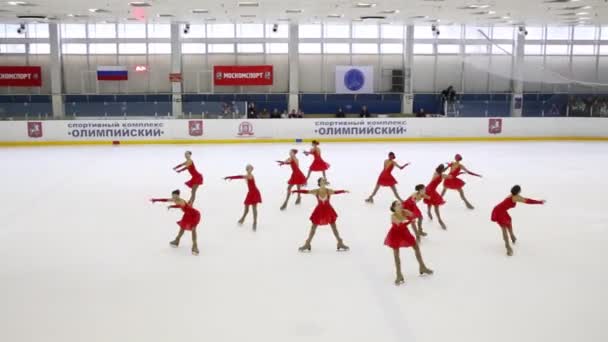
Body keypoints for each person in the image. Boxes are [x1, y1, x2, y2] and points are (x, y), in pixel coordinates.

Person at [292, 178, 349, 252]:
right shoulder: (316, 191)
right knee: (313, 228)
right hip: (319, 211)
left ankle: (340, 242)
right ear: (319, 182)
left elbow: (336, 192)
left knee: (334, 227)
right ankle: (307, 243)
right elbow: (306, 192)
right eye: (322, 180)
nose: (324, 180)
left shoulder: (328, 190)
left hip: (328, 210)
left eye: (324, 180)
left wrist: (343, 191)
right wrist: (296, 191)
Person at [384, 200, 434, 285]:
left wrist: (411, 215)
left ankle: (422, 267)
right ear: (394, 208)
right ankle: (399, 274)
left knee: (416, 247)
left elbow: (413, 215)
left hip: (405, 232)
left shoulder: (405, 211)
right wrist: (410, 219)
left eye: (401, 204)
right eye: (398, 205)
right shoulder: (393, 216)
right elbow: (401, 223)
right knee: (396, 255)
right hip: (395, 234)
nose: (401, 205)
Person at [491, 185, 545, 256]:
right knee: (504, 228)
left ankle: (512, 236)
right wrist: (539, 202)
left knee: (509, 222)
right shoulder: (516, 197)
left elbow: (524, 199)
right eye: (520, 190)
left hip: (501, 210)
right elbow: (528, 201)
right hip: (498, 212)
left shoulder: (512, 195)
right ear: (518, 191)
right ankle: (508, 247)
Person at [150, 189, 201, 256]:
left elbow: (180, 206)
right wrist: (155, 200)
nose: (174, 197)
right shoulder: (174, 199)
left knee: (193, 229)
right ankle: (177, 241)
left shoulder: (181, 201)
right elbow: (165, 200)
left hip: (194, 215)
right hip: (187, 215)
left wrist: (172, 206)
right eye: (173, 196)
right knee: (182, 228)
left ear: (178, 195)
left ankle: (195, 246)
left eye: (175, 196)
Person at [224, 164, 262, 231]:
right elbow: (239, 176)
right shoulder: (246, 176)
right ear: (246, 169)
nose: (250, 170)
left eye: (251, 169)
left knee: (254, 208)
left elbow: (239, 176)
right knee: (246, 208)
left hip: (255, 193)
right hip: (250, 193)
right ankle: (243, 219)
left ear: (252, 169)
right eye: (248, 169)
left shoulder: (249, 176)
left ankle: (254, 222)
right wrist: (230, 177)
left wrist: (230, 177)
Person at [424, 164, 448, 230]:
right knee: (436, 205)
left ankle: (428, 211)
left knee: (429, 202)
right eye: (443, 169)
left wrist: (448, 166)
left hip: (428, 188)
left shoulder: (436, 173)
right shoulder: (442, 175)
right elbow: (450, 177)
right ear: (441, 170)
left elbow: (443, 171)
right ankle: (440, 220)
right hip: (430, 190)